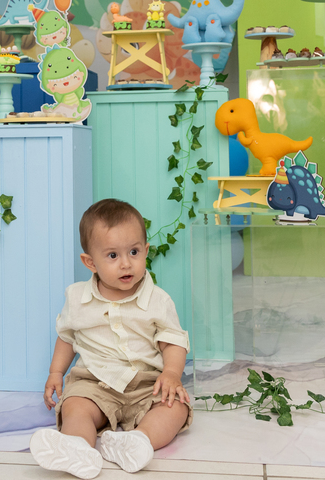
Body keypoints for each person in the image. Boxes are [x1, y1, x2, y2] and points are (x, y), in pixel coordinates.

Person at [29, 199, 191, 478]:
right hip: (95, 382)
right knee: (75, 406)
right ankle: (77, 448)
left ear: (146, 251)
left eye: (134, 252)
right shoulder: (77, 298)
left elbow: (172, 340)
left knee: (175, 407)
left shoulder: (158, 300)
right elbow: (67, 337)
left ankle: (138, 441)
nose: (126, 263)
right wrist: (56, 372)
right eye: (113, 256)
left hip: (147, 385)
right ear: (90, 262)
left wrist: (171, 373)